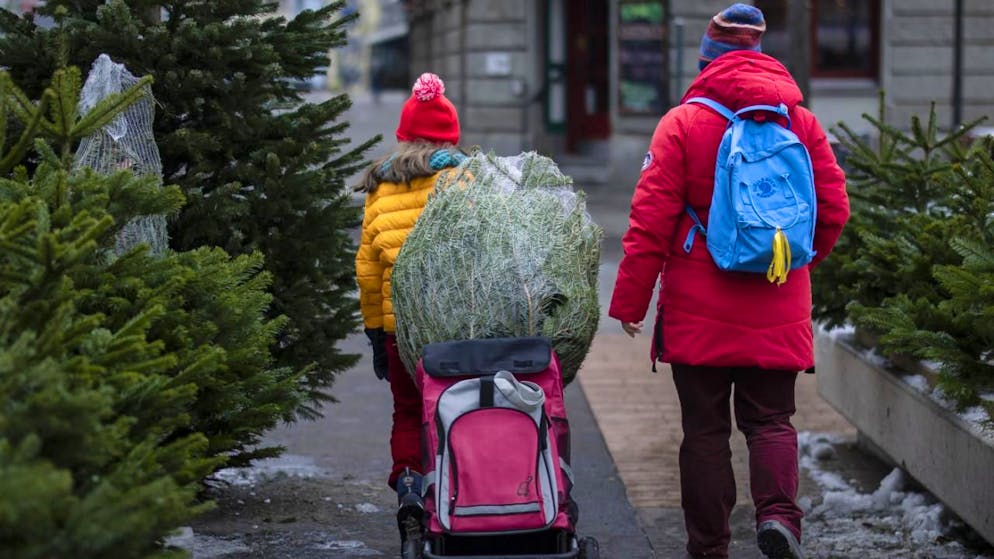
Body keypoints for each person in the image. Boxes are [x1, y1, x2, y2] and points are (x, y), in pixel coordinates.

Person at [608, 4, 850, 559]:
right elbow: (834, 208)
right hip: (778, 298)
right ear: (760, 56)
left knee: (705, 431)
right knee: (772, 422)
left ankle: (709, 547)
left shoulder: (682, 123)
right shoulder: (801, 122)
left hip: (698, 309)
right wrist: (795, 265)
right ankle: (780, 518)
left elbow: (649, 222)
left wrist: (630, 302)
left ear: (707, 62)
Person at [354, 72, 466, 547]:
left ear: (403, 135)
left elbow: (367, 271)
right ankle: (457, 501)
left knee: (407, 411)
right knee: (455, 411)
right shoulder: (465, 181)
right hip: (454, 328)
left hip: (398, 329)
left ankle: (409, 487)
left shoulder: (379, 188)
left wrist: (376, 334)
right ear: (450, 136)